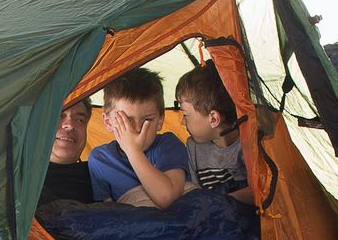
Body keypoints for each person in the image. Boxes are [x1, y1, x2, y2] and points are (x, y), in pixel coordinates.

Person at [87, 68, 188, 209]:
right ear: (108, 122)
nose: (138, 129)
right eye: (127, 120)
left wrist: (133, 151)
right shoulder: (99, 159)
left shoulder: (169, 144)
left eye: (147, 120)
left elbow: (167, 198)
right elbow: (107, 211)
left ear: (160, 121)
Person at [175, 65, 251, 202]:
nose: (182, 122)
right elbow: (195, 192)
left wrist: (217, 203)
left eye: (186, 115)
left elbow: (258, 192)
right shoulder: (193, 147)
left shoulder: (247, 145)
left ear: (214, 119)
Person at [40, 96, 94, 204]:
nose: (69, 125)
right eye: (59, 116)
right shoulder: (17, 179)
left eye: (80, 120)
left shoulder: (104, 173)